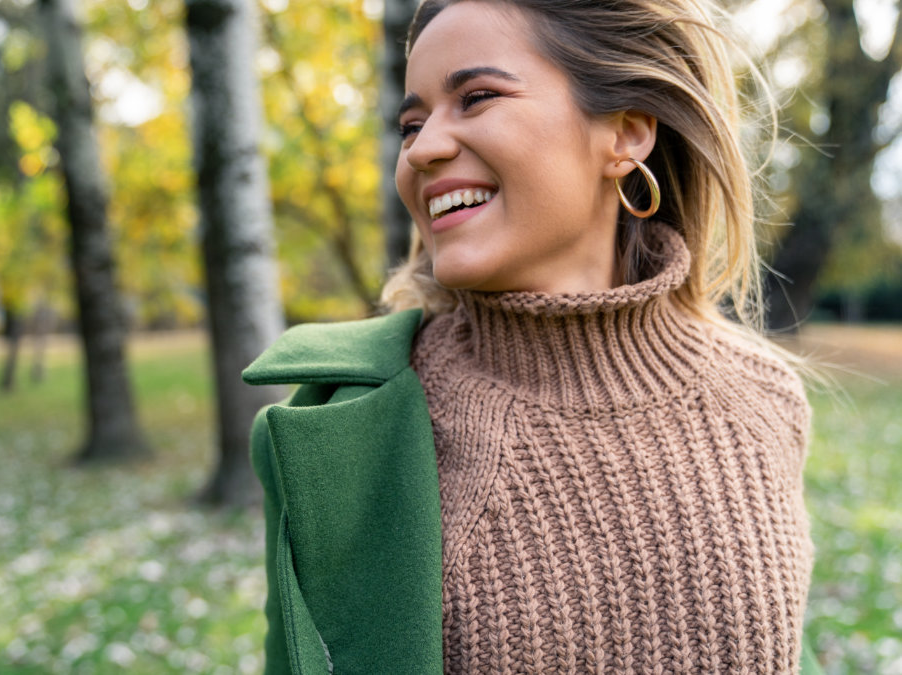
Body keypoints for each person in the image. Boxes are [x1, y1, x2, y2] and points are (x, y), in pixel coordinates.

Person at [245, 0, 821, 673]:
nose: (422, 149)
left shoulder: (763, 402)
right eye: (411, 125)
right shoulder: (345, 429)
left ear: (627, 134)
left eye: (477, 97)